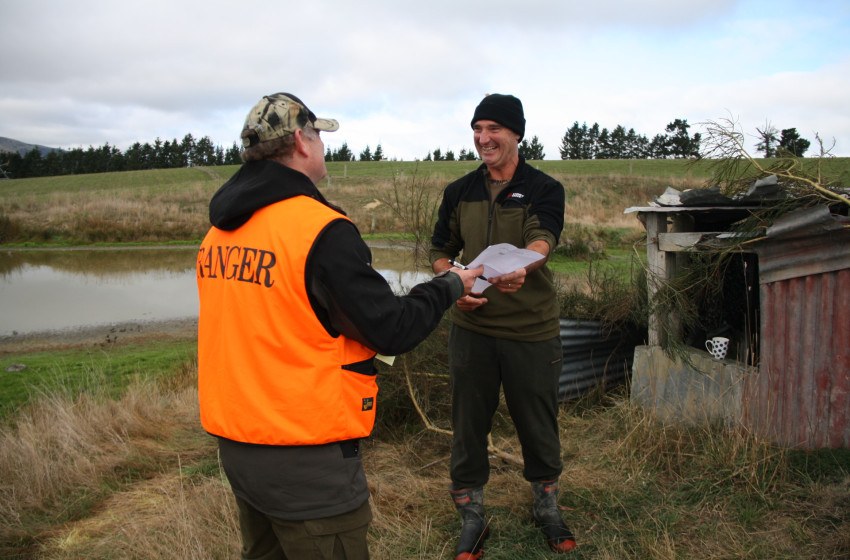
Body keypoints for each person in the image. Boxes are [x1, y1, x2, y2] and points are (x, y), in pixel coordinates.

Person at [196, 92, 483, 560]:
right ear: (301, 141)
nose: (323, 146)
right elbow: (390, 329)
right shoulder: (318, 230)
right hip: (305, 453)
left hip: (238, 444)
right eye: (318, 136)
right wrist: (450, 285)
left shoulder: (221, 231)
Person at [430, 93, 575, 557]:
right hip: (471, 328)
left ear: (516, 134)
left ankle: (547, 508)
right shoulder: (460, 191)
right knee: (468, 423)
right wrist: (453, 283)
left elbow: (542, 238)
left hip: (531, 330)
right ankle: (472, 515)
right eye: (477, 128)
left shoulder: (543, 187)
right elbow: (440, 250)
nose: (483, 137)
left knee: (538, 422)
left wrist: (523, 266)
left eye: (493, 128)